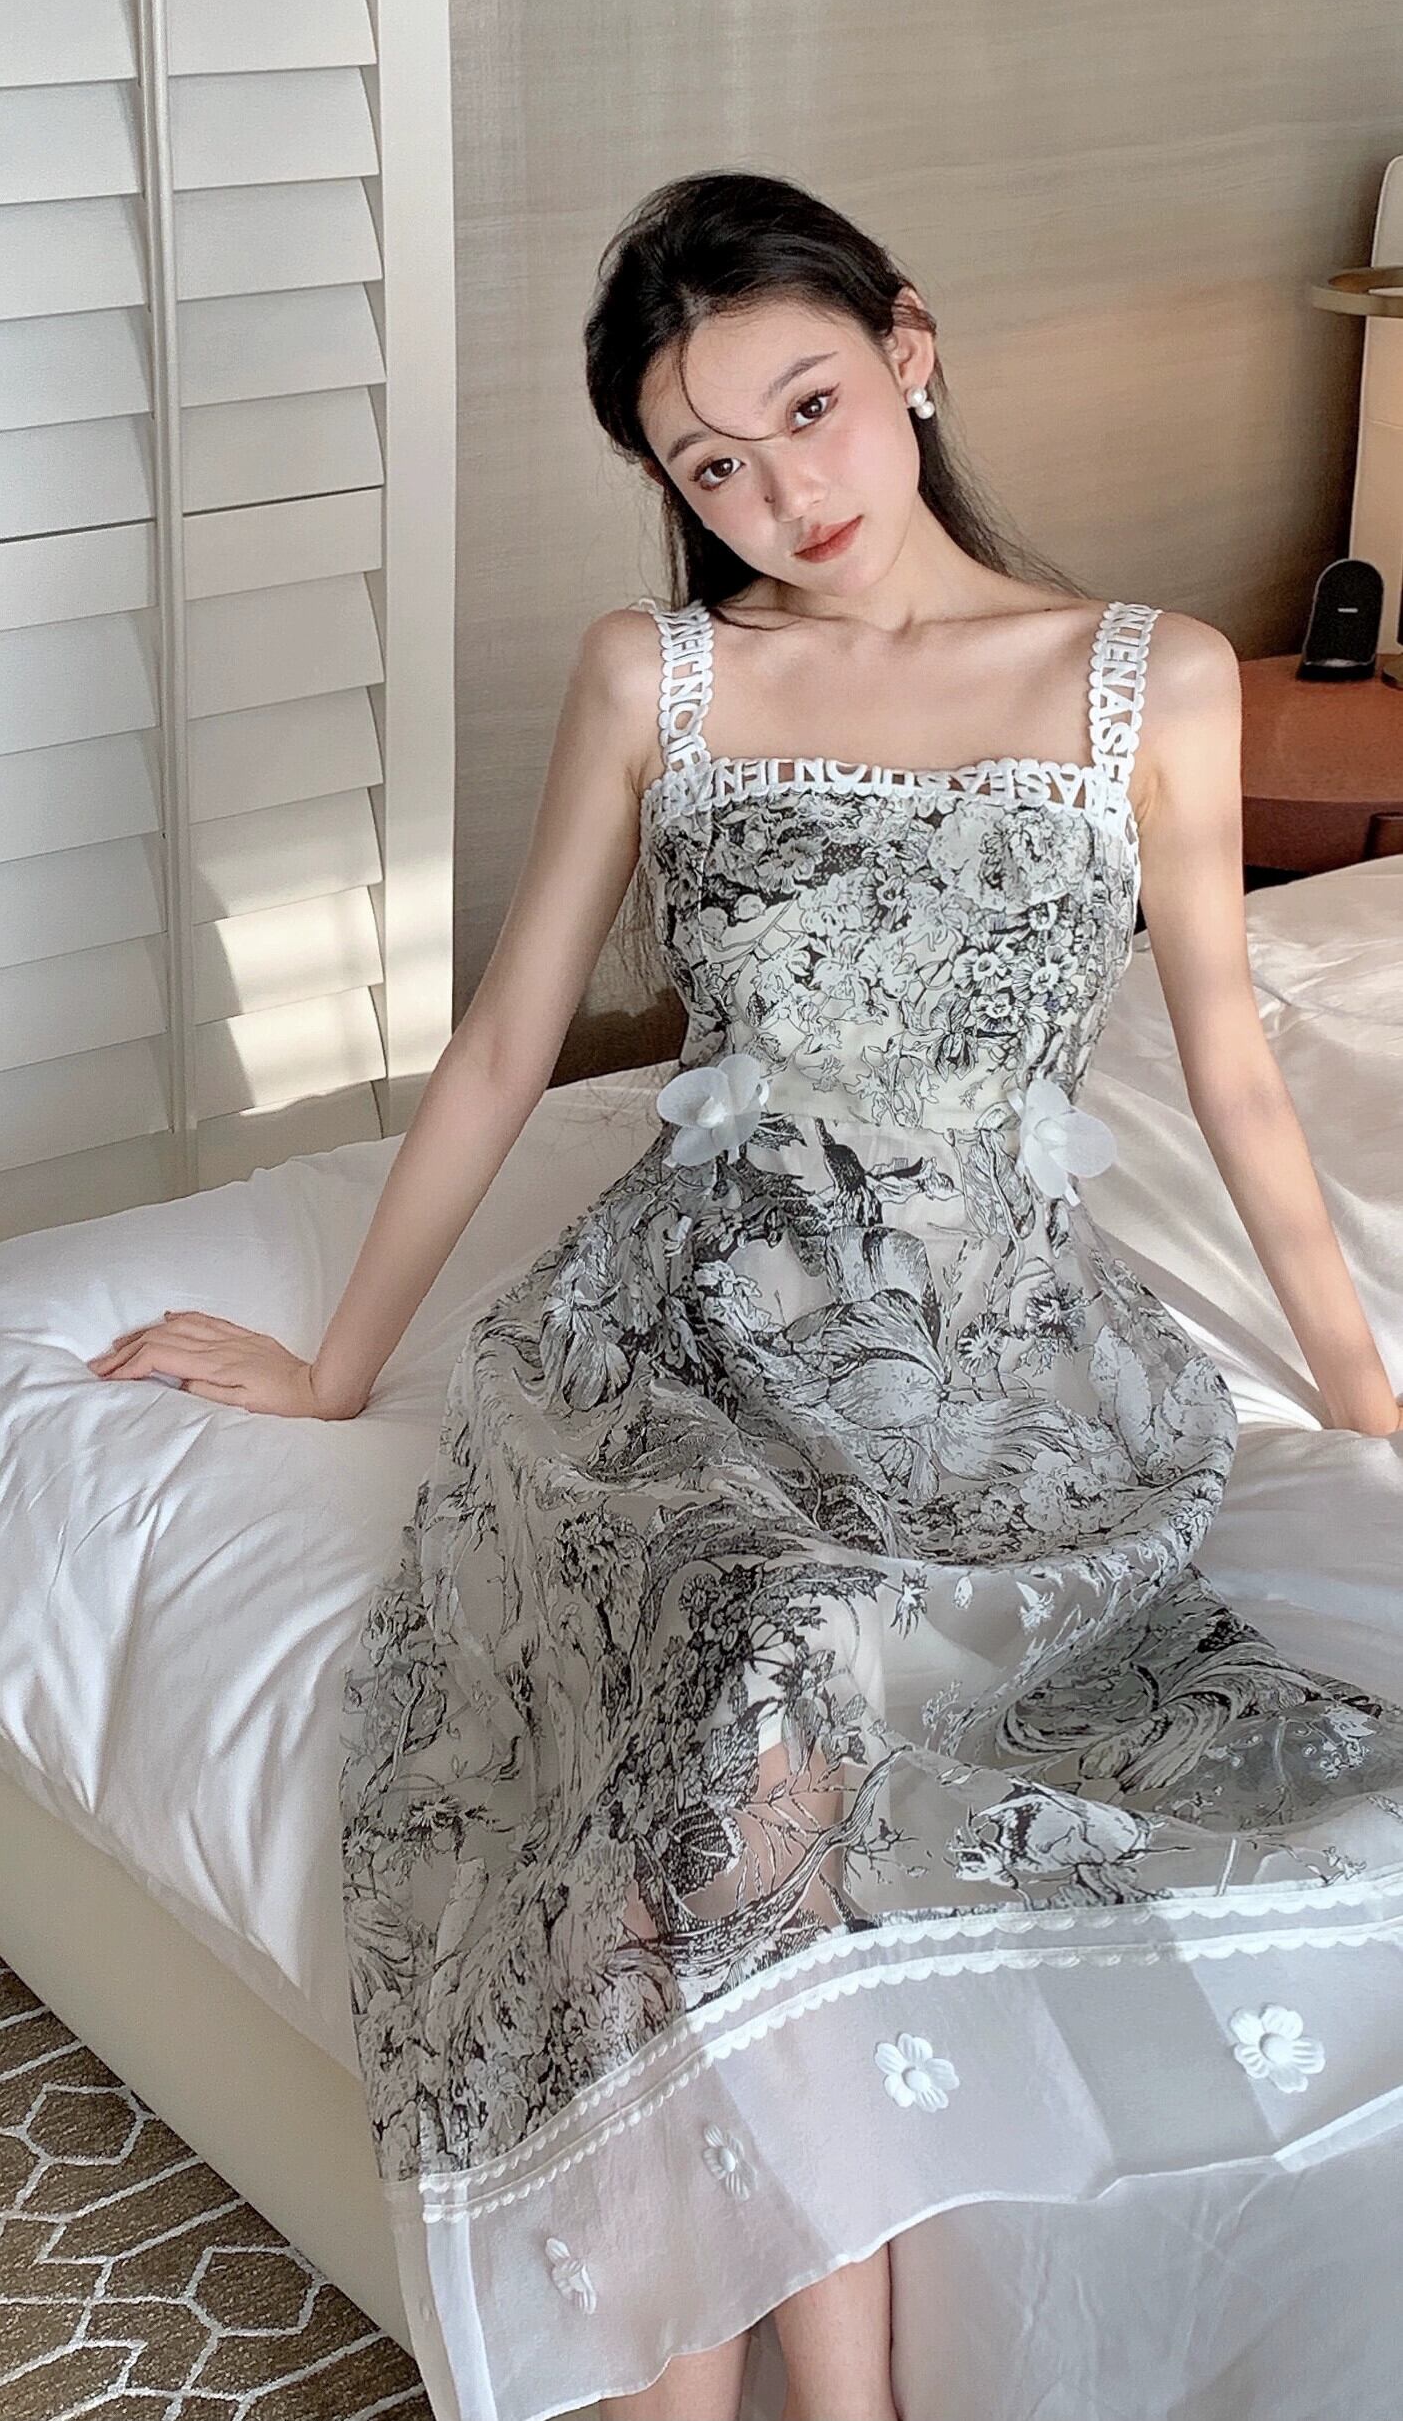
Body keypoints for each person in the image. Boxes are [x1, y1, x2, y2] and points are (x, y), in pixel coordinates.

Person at [87, 173, 1403, 2421]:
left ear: (911, 348)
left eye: (808, 407)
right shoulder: (663, 676)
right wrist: (333, 1368)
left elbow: (1234, 1074)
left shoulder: (1150, 676)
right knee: (741, 1645)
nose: (781, 493)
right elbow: (506, 1046)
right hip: (684, 1336)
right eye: (709, 463)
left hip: (1001, 1359)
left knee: (784, 1690)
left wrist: (1367, 1409)